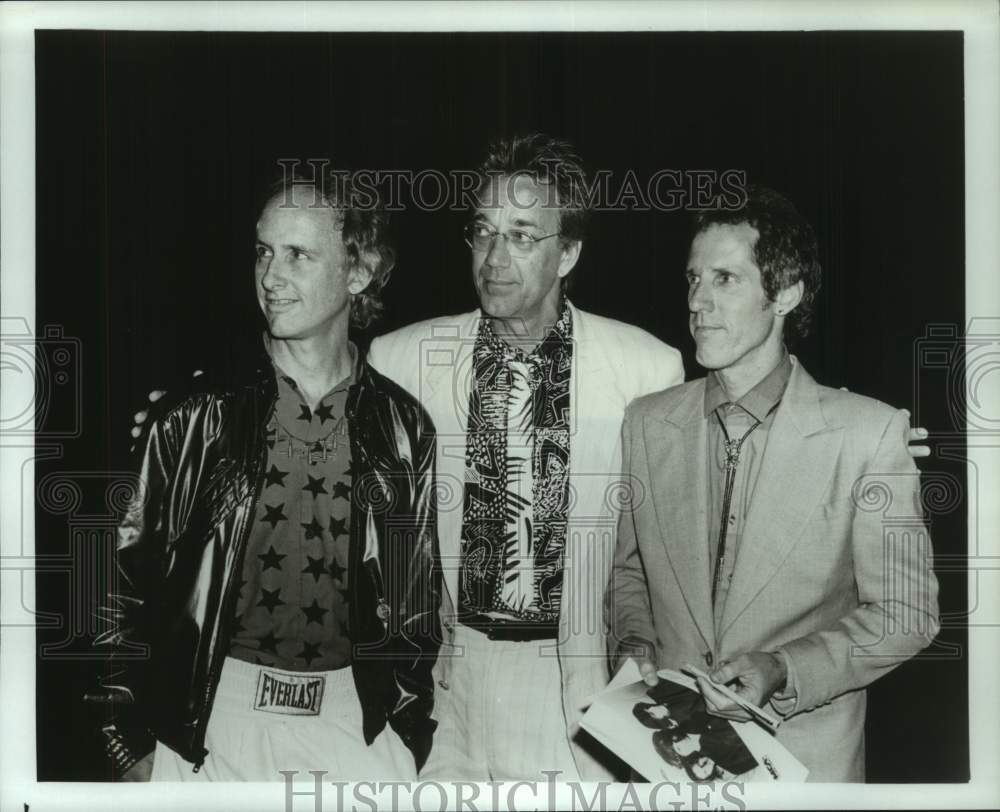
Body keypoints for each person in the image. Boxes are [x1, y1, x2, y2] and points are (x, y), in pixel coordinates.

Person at [88, 168, 441, 782]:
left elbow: (415, 606)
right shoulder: (195, 414)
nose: (271, 277)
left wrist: (406, 735)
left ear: (358, 272)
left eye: (298, 255)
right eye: (263, 252)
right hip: (211, 721)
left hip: (354, 727)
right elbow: (119, 586)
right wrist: (127, 744)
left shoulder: (403, 426)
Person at [365, 134, 685, 781]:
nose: (494, 257)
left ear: (568, 252)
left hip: (580, 680)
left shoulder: (647, 369)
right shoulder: (400, 360)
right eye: (482, 232)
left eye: (520, 235)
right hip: (449, 685)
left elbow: (669, 541)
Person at [608, 185, 940, 781]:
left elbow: (907, 614)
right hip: (665, 762)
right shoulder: (646, 422)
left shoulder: (868, 434)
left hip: (805, 767)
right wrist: (635, 645)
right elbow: (628, 572)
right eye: (693, 280)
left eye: (725, 280)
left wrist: (785, 667)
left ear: (785, 293)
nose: (699, 303)